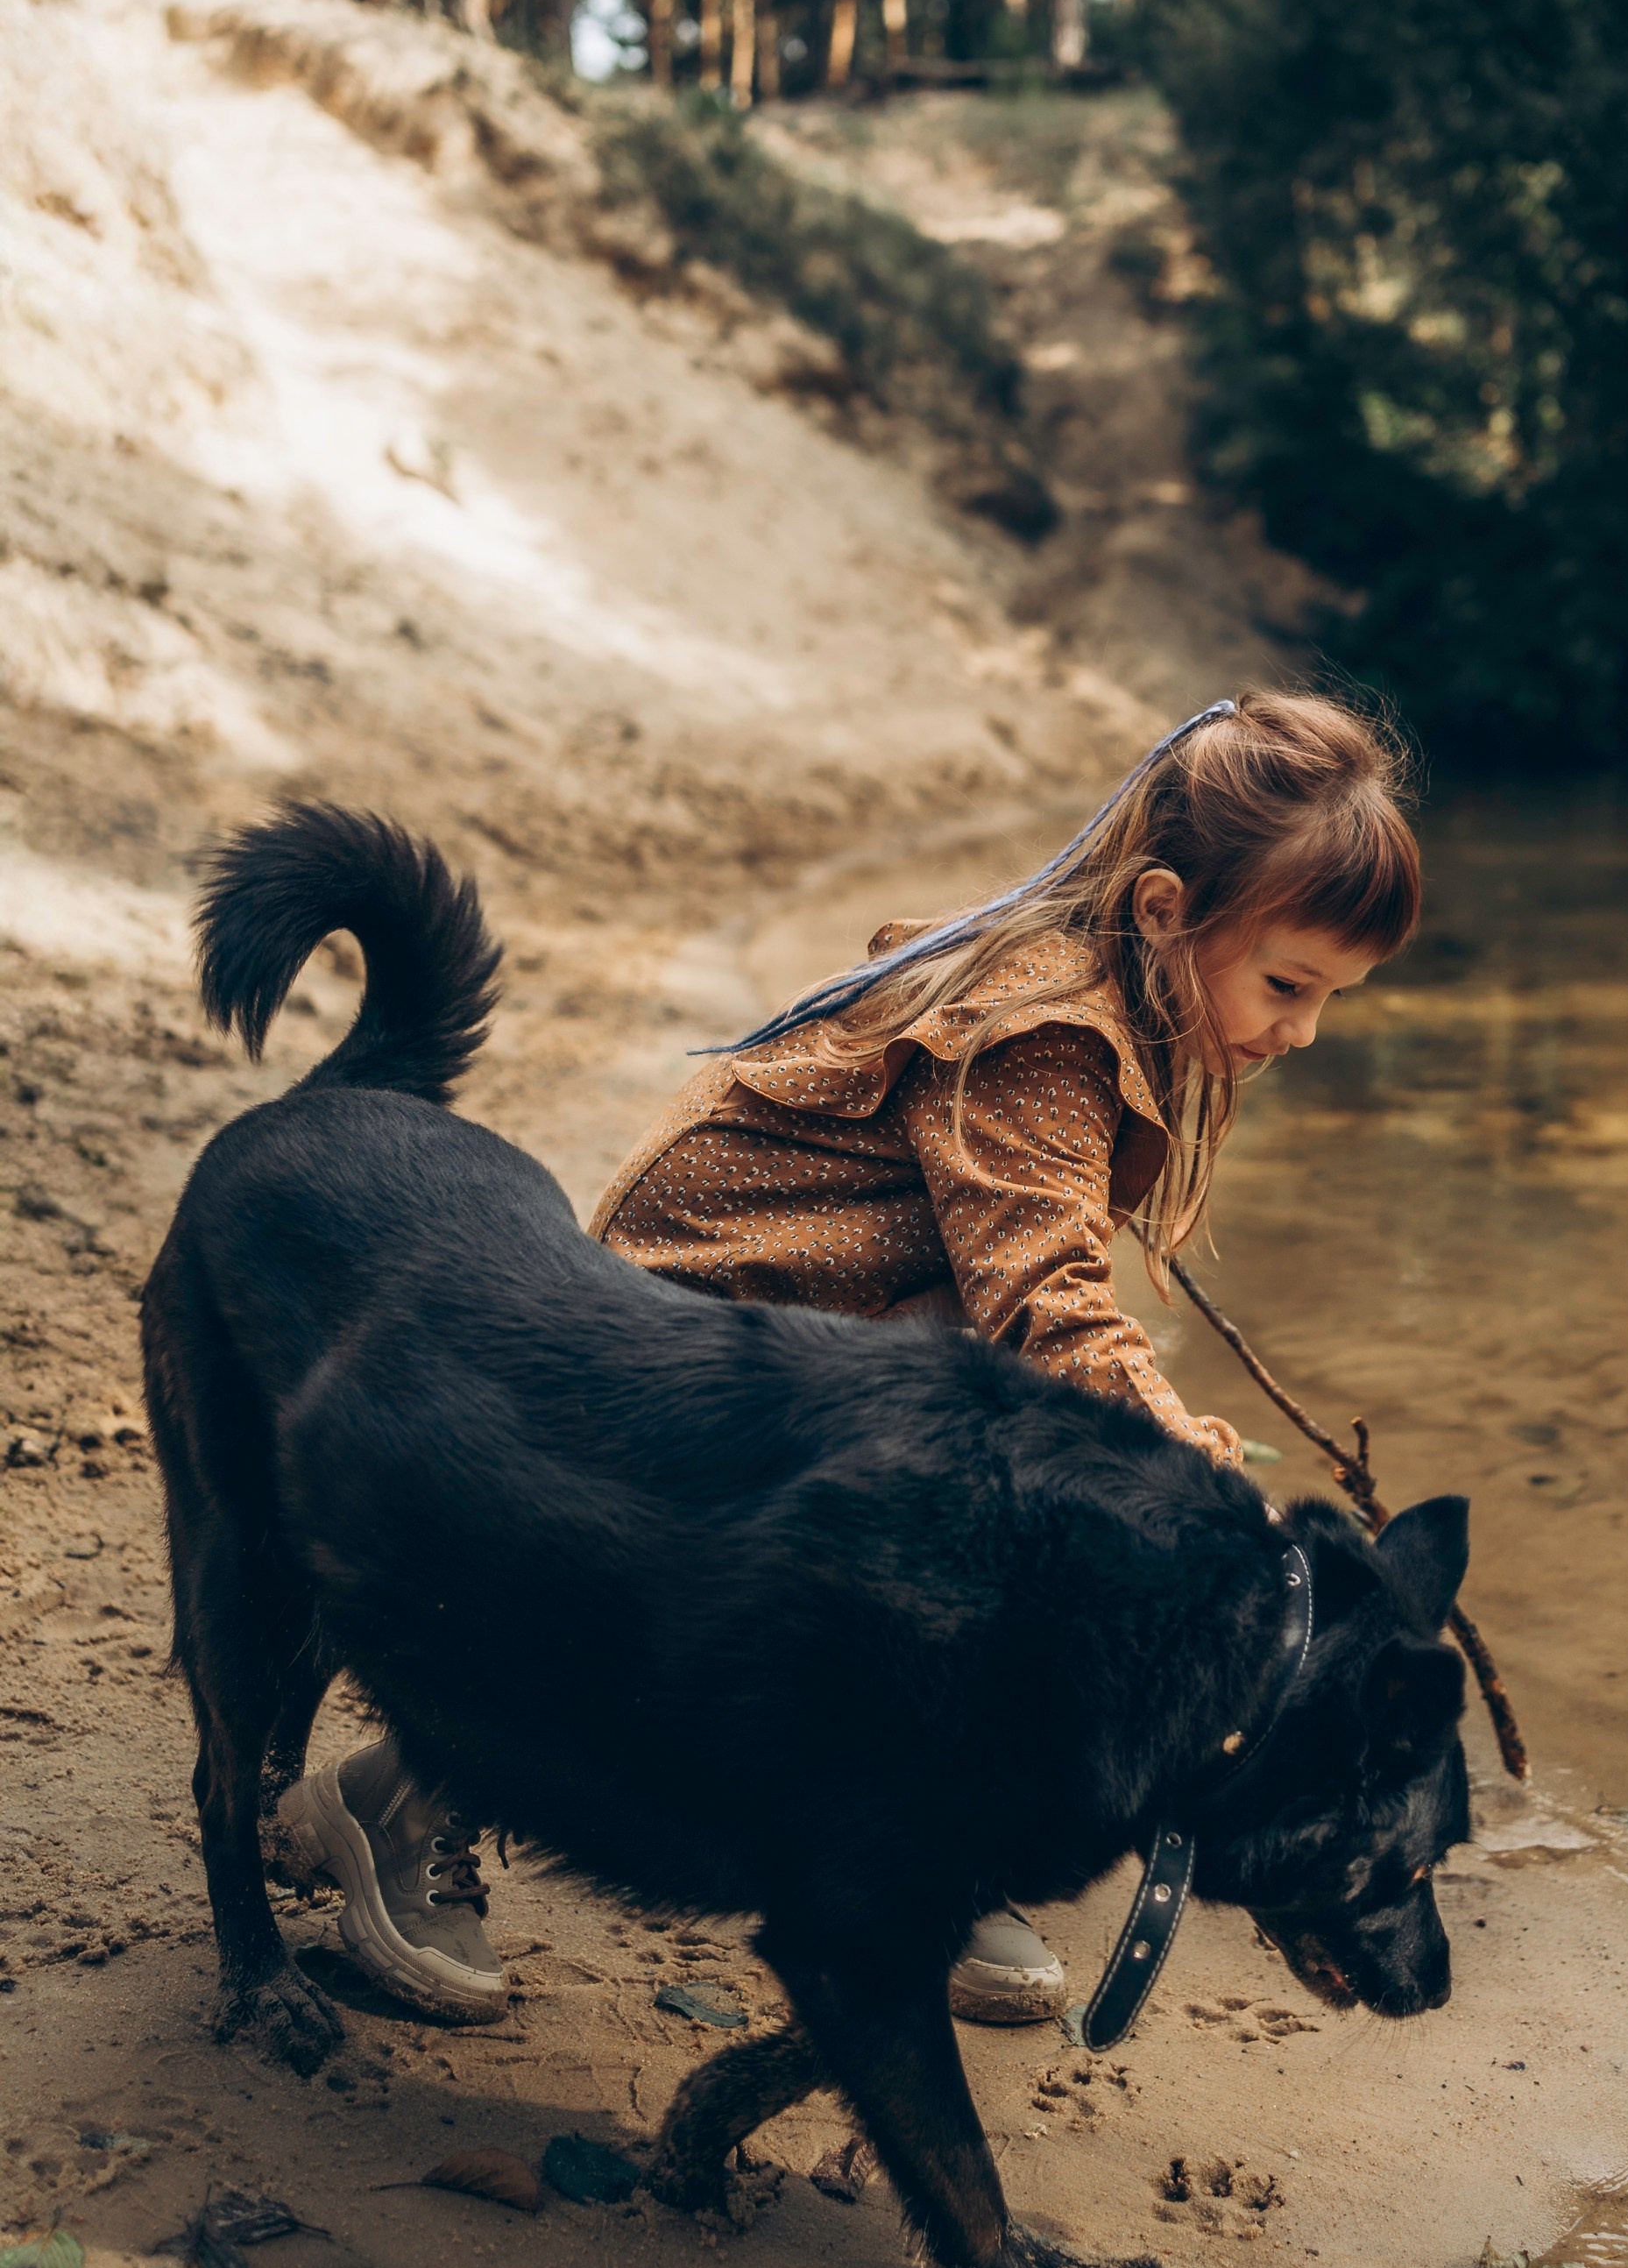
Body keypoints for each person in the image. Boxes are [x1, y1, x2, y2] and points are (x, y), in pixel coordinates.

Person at [275, 690, 1421, 2027]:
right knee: (989, 1494)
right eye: (1289, 984)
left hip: (818, 1342)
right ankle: (403, 1792)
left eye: (1333, 999)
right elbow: (1045, 1303)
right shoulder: (1048, 1032)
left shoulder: (1116, 1007)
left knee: (1026, 1476)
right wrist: (1226, 1506)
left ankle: (938, 1832)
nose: (1304, 1030)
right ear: (1165, 908)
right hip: (678, 1350)